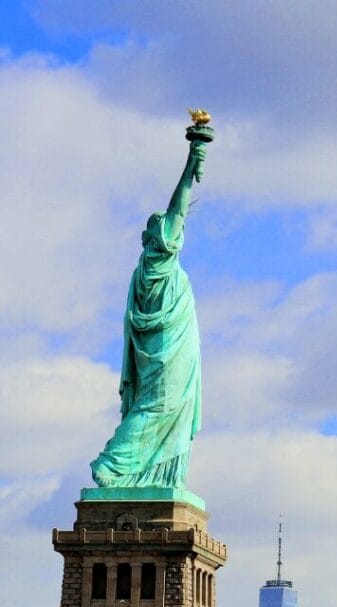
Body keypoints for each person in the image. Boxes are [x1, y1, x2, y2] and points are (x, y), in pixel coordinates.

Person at [91, 139, 207, 488]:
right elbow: (178, 210)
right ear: (159, 238)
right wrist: (192, 162)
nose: (177, 231)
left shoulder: (146, 269)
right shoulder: (159, 262)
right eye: (170, 228)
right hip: (166, 351)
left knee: (165, 407)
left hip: (169, 347)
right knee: (160, 405)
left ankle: (153, 476)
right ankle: (112, 464)